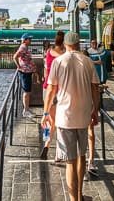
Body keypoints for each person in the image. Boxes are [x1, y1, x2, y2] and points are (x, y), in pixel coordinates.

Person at [42, 32, 100, 201]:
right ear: (78, 43)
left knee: (70, 161)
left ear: (66, 45)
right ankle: (80, 195)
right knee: (82, 156)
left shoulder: (59, 62)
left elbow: (51, 89)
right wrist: (95, 110)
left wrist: (46, 112)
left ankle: (74, 199)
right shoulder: (88, 61)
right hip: (83, 115)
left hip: (64, 116)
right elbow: (95, 88)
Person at [41, 31, 66, 160]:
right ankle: (57, 150)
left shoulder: (49, 52)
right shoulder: (64, 56)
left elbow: (46, 69)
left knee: (50, 119)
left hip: (46, 88)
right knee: (57, 121)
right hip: (59, 90)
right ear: (64, 43)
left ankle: (47, 142)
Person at [85, 38, 105, 174]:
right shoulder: (91, 70)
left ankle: (77, 163)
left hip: (74, 109)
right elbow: (95, 89)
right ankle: (91, 161)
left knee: (78, 136)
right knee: (90, 133)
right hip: (89, 105)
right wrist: (96, 110)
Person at [13, 33, 36, 118]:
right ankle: (25, 111)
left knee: (28, 91)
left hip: (27, 72)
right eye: (29, 39)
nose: (31, 40)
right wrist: (18, 66)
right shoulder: (23, 47)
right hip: (25, 72)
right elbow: (15, 57)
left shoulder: (25, 47)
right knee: (26, 92)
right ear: (25, 40)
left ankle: (26, 109)